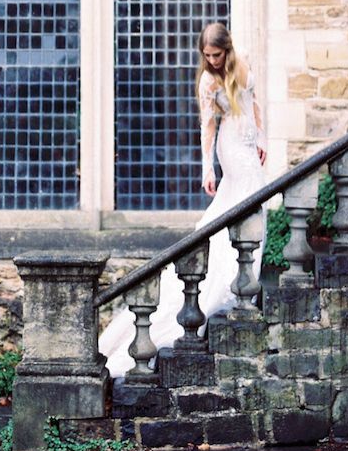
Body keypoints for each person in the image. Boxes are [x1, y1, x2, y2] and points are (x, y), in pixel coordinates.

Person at [99, 22, 267, 378]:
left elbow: (254, 102)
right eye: (206, 55)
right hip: (230, 148)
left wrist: (262, 137)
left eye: (216, 54)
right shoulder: (207, 81)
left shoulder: (243, 63)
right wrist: (207, 168)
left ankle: (247, 275)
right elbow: (208, 125)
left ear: (227, 49)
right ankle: (229, 280)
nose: (212, 60)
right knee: (238, 206)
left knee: (256, 206)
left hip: (250, 143)